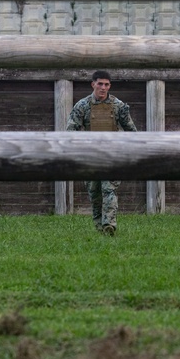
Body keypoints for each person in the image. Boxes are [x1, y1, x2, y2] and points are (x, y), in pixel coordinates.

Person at [65, 71, 138, 236]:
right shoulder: (82, 106)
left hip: (112, 156)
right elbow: (70, 132)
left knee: (109, 190)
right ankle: (99, 227)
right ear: (93, 84)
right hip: (90, 156)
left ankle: (109, 225)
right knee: (94, 193)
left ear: (109, 86)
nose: (103, 88)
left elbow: (132, 131)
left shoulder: (118, 106)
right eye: (100, 84)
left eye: (106, 84)